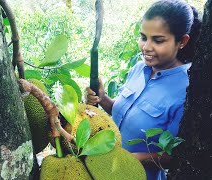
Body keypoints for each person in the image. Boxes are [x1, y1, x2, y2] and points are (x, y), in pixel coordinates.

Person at [85, 0, 202, 179]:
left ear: (182, 41)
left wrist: (136, 158)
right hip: (106, 168)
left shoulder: (187, 90)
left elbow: (175, 155)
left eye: (158, 40)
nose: (146, 47)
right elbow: (124, 112)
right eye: (143, 37)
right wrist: (103, 98)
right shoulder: (139, 69)